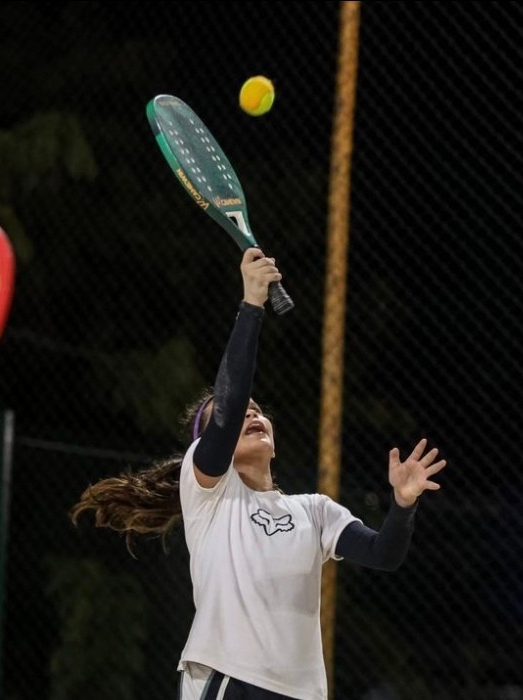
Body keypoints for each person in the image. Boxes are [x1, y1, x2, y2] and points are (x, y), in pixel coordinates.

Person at [71, 247, 447, 699]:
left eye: (258, 410)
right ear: (212, 446)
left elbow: (384, 554)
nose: (251, 412)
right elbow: (227, 412)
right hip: (231, 678)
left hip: (302, 691)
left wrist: (402, 507)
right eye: (234, 414)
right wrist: (251, 303)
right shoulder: (208, 493)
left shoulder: (314, 511)